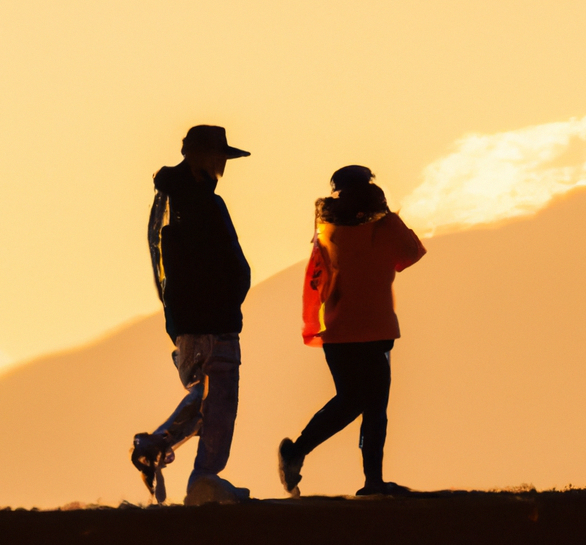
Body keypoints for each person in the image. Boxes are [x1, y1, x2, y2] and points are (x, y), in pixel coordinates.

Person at [278, 165, 426, 497]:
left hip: (338, 329)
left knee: (351, 400)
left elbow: (318, 277)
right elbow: (412, 253)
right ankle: (370, 479)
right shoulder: (384, 224)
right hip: (375, 328)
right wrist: (390, 215)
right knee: (372, 406)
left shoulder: (326, 228)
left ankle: (300, 452)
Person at [131, 125, 252, 505]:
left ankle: (154, 446)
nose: (222, 163)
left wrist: (176, 318)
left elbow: (162, 264)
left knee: (203, 398)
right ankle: (204, 478)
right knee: (220, 401)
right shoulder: (199, 202)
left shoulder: (170, 200)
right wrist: (231, 296)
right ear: (199, 157)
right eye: (218, 155)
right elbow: (220, 263)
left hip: (186, 322)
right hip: (212, 319)